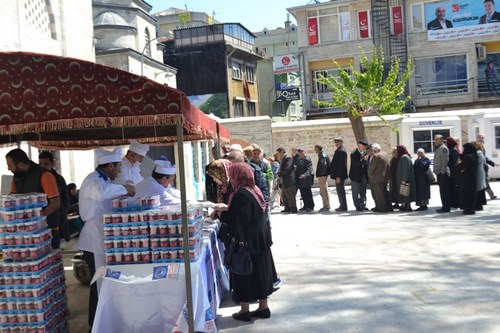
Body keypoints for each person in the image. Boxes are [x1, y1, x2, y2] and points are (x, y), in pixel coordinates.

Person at [78, 147, 135, 331]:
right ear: (110, 165)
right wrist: (125, 188)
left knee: (106, 283)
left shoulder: (108, 180)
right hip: (94, 237)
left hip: (104, 236)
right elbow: (101, 193)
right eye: (118, 166)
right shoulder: (92, 181)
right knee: (98, 283)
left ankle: (106, 322)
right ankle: (94, 326)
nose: (120, 169)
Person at [213, 163, 273, 321]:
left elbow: (239, 220)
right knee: (260, 272)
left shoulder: (241, 193)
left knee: (243, 272)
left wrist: (221, 214)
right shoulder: (254, 189)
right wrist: (228, 208)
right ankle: (263, 306)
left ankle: (244, 310)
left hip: (248, 241)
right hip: (260, 238)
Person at [6, 148, 61, 249]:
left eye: (10, 165)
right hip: (25, 230)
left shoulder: (45, 175)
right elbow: (12, 199)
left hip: (47, 228)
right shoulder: (16, 177)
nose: (8, 168)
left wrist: (37, 217)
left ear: (20, 165)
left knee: (49, 259)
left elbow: (55, 203)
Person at [38, 151, 71, 243]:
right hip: (41, 219)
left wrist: (62, 210)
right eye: (40, 163)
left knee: (54, 245)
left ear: (51, 164)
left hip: (56, 218)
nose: (42, 166)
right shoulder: (37, 178)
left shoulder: (59, 179)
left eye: (46, 164)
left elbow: (65, 198)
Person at [367, 144, 392, 212]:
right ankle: (389, 207)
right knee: (385, 192)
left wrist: (369, 172)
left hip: (377, 177)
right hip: (385, 177)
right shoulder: (385, 154)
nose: (371, 151)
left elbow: (372, 168)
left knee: (379, 194)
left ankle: (382, 208)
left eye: (372, 150)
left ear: (375, 149)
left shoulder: (376, 156)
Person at [457, 143, 478, 215]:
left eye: (464, 149)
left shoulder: (468, 157)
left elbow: (460, 167)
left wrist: (458, 164)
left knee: (467, 194)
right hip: (472, 178)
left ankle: (469, 209)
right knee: (471, 194)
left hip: (467, 179)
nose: (463, 150)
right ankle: (471, 208)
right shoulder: (474, 156)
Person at [275, 147, 297, 214]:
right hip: (284, 180)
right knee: (284, 194)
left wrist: (280, 174)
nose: (277, 154)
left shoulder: (288, 158)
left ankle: (293, 209)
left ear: (282, 152)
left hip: (289, 180)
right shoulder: (282, 159)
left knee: (290, 195)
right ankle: (287, 208)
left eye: (278, 153)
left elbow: (287, 168)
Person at [476, 133, 498, 199]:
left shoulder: (482, 146)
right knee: (485, 181)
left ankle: (490, 195)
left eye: (482, 137)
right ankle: (491, 195)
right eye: (480, 137)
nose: (481, 139)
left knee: (485, 181)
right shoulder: (476, 146)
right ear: (477, 138)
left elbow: (484, 157)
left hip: (484, 167)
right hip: (480, 167)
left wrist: (493, 163)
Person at [349, 140, 369, 212]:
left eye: (365, 146)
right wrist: (363, 160)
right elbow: (354, 164)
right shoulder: (354, 153)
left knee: (363, 191)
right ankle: (357, 205)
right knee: (355, 191)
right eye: (363, 146)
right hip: (355, 176)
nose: (364, 148)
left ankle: (363, 204)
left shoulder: (366, 153)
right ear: (359, 145)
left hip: (363, 175)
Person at [395, 145, 416, 211]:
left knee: (406, 193)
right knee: (404, 193)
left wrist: (404, 179)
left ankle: (408, 206)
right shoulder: (403, 156)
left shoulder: (404, 157)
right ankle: (405, 205)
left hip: (405, 179)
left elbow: (405, 169)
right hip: (403, 178)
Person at [330, 136, 348, 212]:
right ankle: (342, 205)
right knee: (339, 191)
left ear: (341, 142)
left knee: (341, 191)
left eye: (338, 142)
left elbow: (341, 165)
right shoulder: (339, 150)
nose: (336, 143)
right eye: (335, 142)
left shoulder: (341, 151)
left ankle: (343, 206)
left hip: (340, 176)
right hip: (338, 175)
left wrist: (338, 176)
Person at [434, 134, 451, 213]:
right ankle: (444, 206)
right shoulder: (439, 148)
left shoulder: (443, 148)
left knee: (444, 191)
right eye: (435, 139)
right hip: (439, 173)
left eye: (437, 139)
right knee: (442, 190)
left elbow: (445, 161)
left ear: (441, 140)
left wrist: (442, 172)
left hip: (443, 173)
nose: (435, 141)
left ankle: (446, 207)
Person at [295, 147, 314, 212]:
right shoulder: (299, 160)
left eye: (301, 152)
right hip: (300, 180)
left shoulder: (307, 159)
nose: (300, 153)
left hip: (306, 180)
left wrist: (304, 175)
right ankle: (305, 205)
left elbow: (309, 170)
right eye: (299, 152)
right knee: (303, 194)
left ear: (305, 152)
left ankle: (310, 206)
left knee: (308, 193)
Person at [314, 144, 331, 212]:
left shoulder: (322, 156)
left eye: (315, 148)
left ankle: (325, 206)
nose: (314, 150)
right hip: (324, 175)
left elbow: (324, 166)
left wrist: (321, 174)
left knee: (323, 191)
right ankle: (327, 205)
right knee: (325, 190)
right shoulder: (322, 155)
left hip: (322, 176)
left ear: (318, 148)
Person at [472, 141, 487, 211]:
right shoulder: (480, 152)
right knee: (480, 188)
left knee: (479, 188)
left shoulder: (478, 153)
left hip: (478, 172)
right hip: (480, 171)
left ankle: (479, 205)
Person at [446, 137, 460, 209]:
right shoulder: (452, 150)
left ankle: (455, 203)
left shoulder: (453, 150)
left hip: (453, 172)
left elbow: (453, 162)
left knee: (453, 188)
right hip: (453, 171)